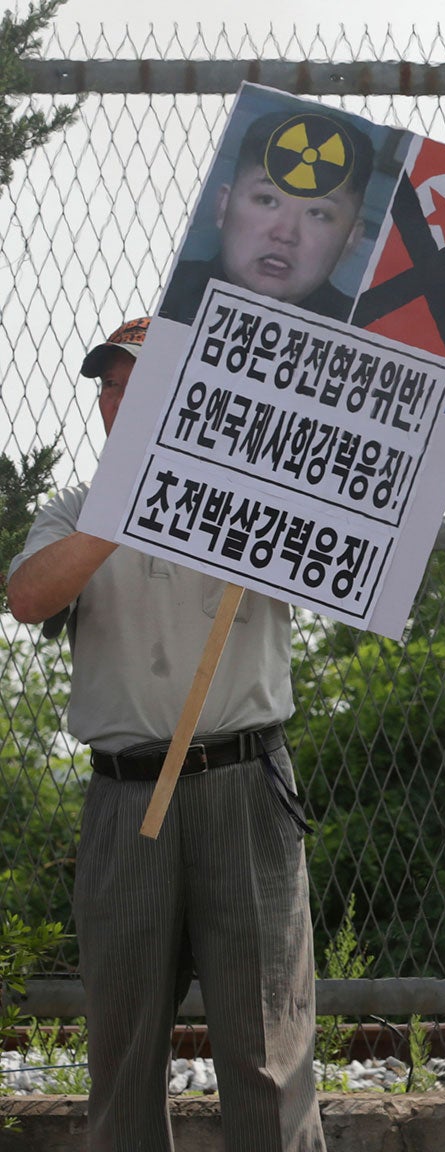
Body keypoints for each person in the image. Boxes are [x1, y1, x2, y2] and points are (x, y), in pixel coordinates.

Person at [5, 317, 321, 1152]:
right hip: (126, 795)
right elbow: (28, 597)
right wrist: (124, 511)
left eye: (136, 383)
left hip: (244, 787)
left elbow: (346, 565)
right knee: (124, 1046)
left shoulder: (256, 492)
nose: (116, 399)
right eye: (108, 387)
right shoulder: (74, 510)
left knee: (266, 1055)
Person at [159, 110, 375, 324]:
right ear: (224, 206)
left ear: (351, 239)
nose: (285, 234)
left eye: (317, 214)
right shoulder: (158, 290)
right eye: (267, 200)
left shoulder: (368, 332)